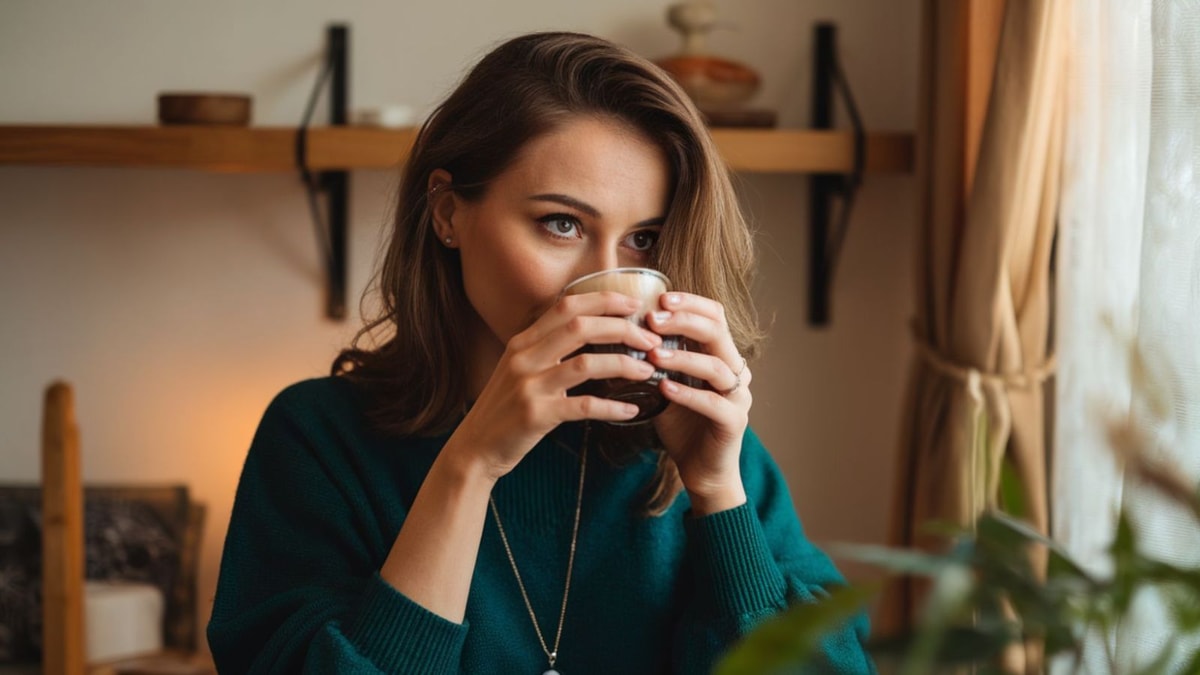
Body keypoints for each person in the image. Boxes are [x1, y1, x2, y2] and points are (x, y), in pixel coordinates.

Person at [207, 31, 874, 674]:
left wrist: (717, 490)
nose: (607, 283)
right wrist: (469, 466)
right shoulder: (319, 439)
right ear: (447, 211)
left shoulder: (706, 453)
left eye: (644, 238)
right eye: (562, 224)